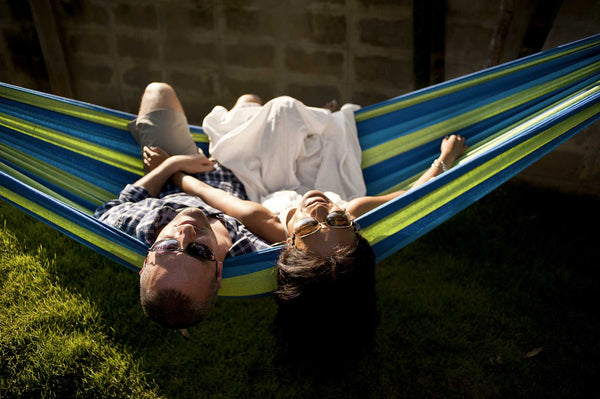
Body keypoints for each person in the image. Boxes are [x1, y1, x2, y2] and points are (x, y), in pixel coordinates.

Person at [143, 89, 467, 369]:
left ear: (290, 245)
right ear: (351, 229)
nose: (322, 209)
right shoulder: (351, 209)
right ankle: (317, 121)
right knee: (280, 112)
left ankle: (307, 119)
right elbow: (410, 198)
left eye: (310, 226)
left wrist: (172, 173)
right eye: (337, 221)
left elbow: (213, 195)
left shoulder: (270, 225)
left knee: (267, 108)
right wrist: (443, 161)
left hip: (269, 183)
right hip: (334, 179)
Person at [94, 83, 271, 330]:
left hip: (177, 168)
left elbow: (107, 211)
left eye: (167, 246)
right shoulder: (255, 253)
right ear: (219, 273)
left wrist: (169, 165)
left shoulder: (140, 224)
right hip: (248, 177)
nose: (186, 232)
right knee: (249, 100)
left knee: (159, 91)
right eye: (199, 251)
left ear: (146, 260)